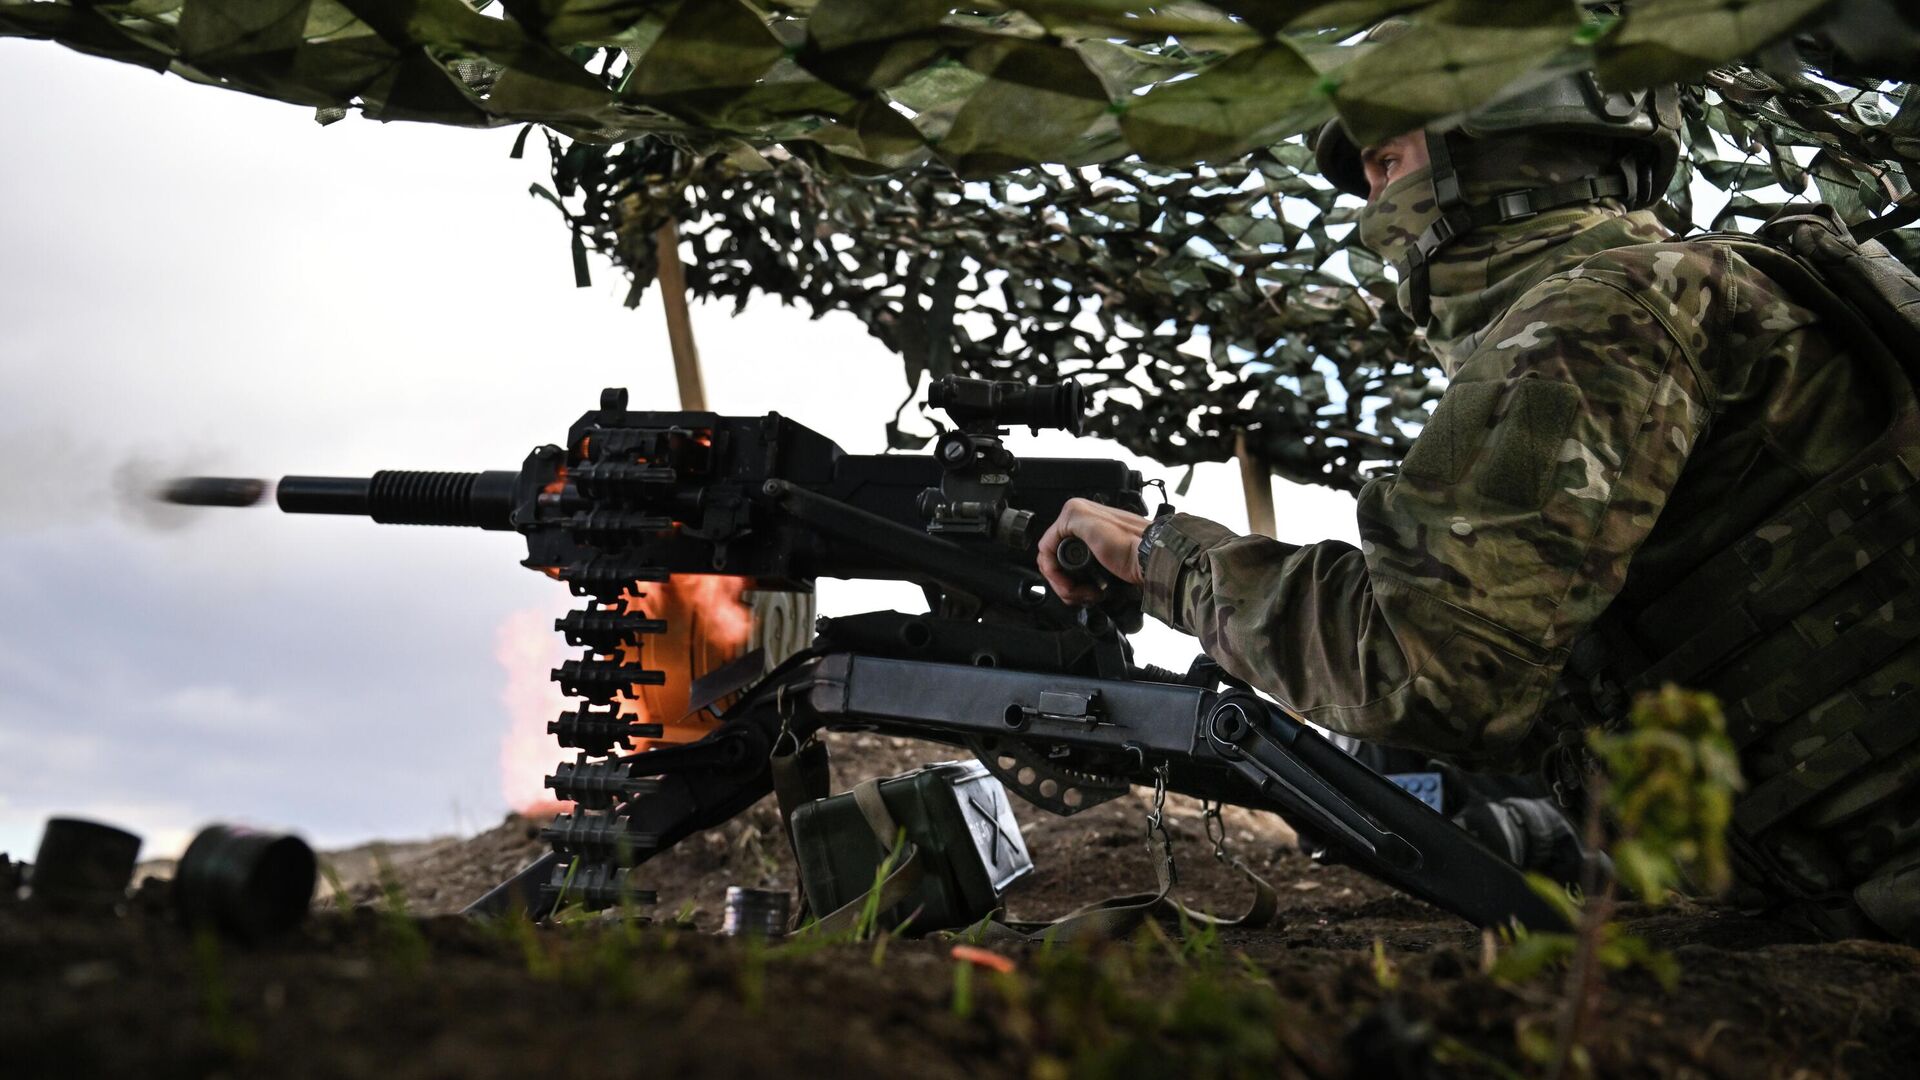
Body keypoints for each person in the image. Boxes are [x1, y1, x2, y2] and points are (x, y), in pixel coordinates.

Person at [1037, 52, 1920, 943]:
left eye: (1388, 161)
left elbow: (1423, 669)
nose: (1373, 209)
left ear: (1496, 129)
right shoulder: (1688, 288)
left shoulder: (1599, 320)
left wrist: (1166, 560)